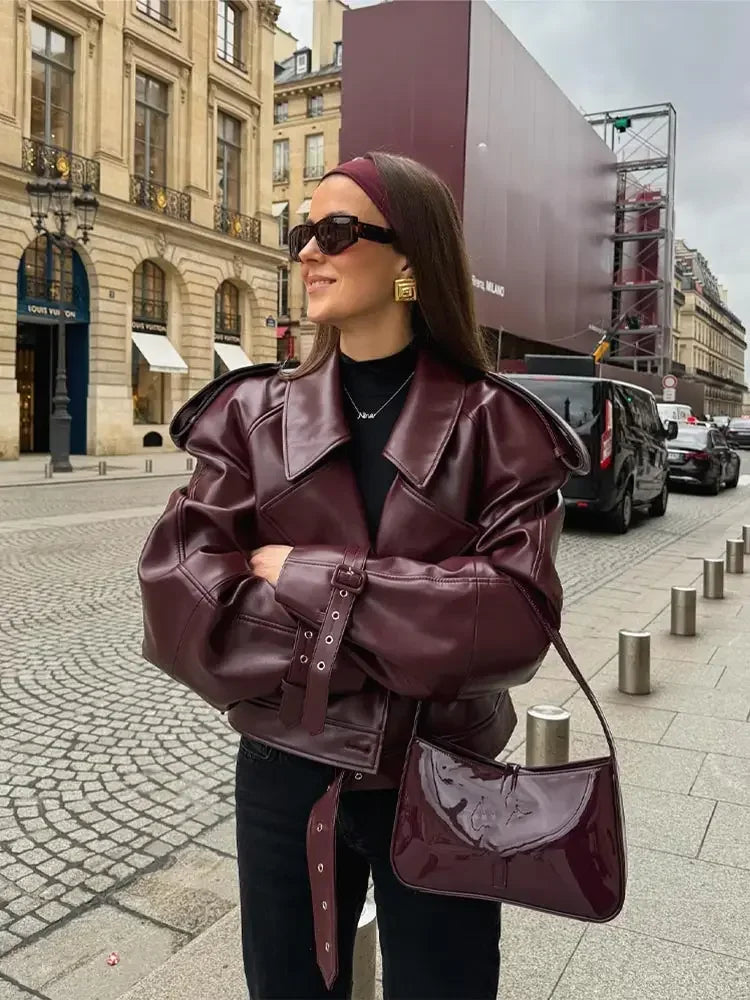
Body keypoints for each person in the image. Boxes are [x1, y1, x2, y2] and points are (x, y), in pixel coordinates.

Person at [138, 152, 587, 1000]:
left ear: (410, 256)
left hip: (444, 775)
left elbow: (516, 618)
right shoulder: (249, 417)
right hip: (284, 773)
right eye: (304, 230)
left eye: (337, 230)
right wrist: (414, 624)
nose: (308, 249)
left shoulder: (498, 429)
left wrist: (311, 580)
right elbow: (178, 595)